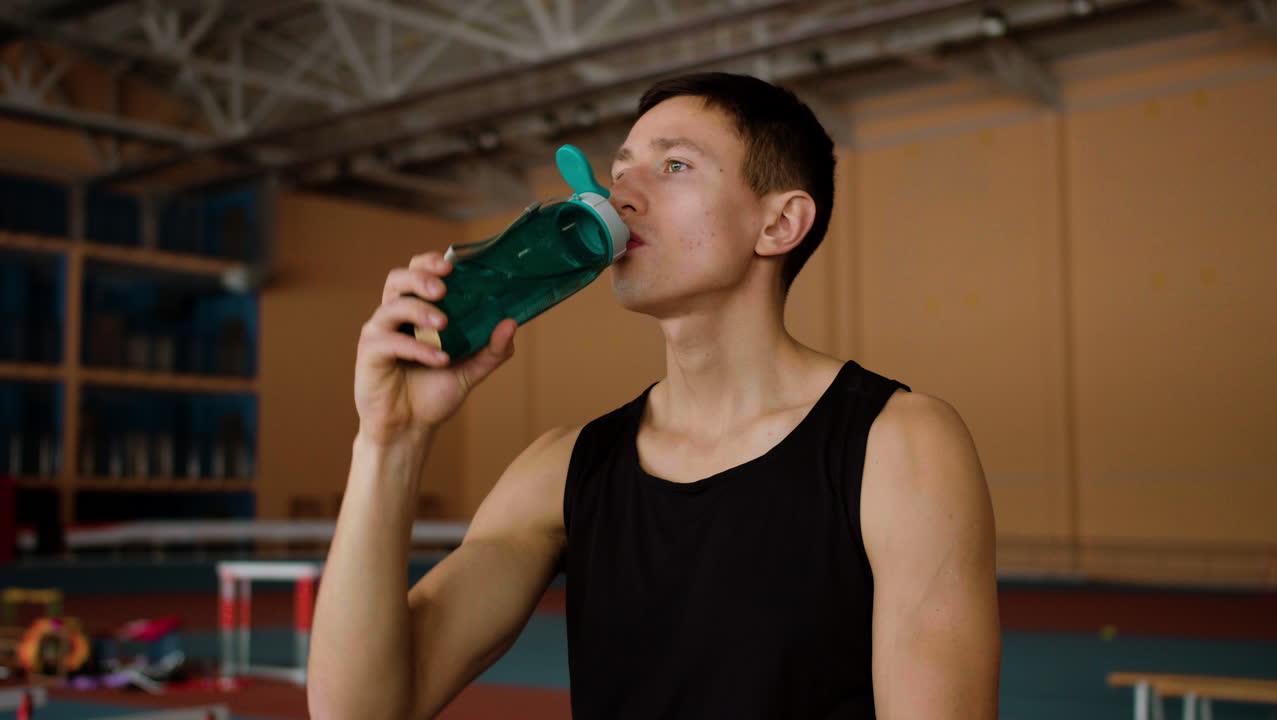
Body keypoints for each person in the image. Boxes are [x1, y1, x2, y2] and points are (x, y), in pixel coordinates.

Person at [309, 72, 1001, 720]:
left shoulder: (901, 446)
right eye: (618, 174)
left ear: (779, 224)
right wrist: (389, 440)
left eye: (674, 167)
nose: (619, 197)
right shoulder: (562, 470)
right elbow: (357, 711)